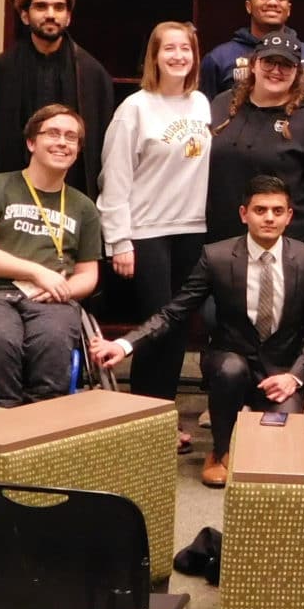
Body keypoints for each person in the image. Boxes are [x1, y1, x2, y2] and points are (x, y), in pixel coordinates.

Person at [95, 175, 304, 488]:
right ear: (244, 214)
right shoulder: (215, 256)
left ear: (288, 216)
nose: (269, 217)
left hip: (280, 372)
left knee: (274, 461)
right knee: (230, 370)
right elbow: (174, 312)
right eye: (260, 210)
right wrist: (125, 344)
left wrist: (295, 377)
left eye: (277, 210)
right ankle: (220, 450)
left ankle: (260, 436)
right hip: (230, 361)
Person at [0, 103, 105, 407]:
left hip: (54, 301)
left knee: (52, 342)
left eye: (71, 137)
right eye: (53, 133)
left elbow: (88, 274)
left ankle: (42, 426)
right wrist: (37, 272)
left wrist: (62, 289)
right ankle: (4, 417)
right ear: (31, 142)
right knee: (0, 340)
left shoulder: (83, 207)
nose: (62, 142)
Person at [97, 21, 212, 410]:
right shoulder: (135, 108)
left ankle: (163, 415)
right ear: (155, 56)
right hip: (147, 232)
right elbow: (114, 177)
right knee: (155, 326)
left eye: (186, 49)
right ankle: (143, 417)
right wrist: (119, 240)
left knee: (178, 327)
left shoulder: (202, 103)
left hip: (193, 229)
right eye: (170, 49)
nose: (179, 56)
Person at [207, 32, 304, 256]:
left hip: (288, 254)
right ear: (253, 64)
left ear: (297, 73)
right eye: (269, 62)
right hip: (220, 250)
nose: (276, 70)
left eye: (286, 65)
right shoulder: (221, 105)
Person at [0, 0, 114, 195]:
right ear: (24, 15)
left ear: (68, 17)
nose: (51, 15)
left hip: (73, 195)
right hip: (11, 195)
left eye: (59, 8)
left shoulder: (94, 75)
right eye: (41, 7)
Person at [202, 0, 304, 119]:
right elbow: (205, 119)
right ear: (248, 6)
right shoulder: (219, 59)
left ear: (288, 9)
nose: (272, 2)